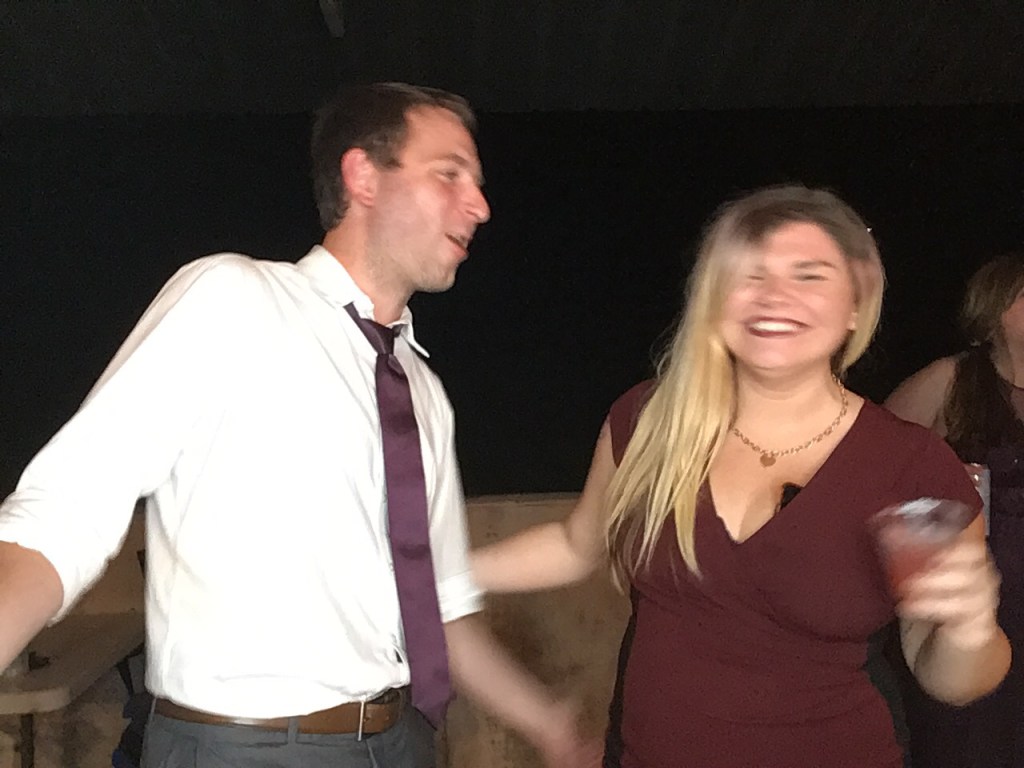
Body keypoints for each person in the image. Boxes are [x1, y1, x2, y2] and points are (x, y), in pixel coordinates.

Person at [0, 82, 594, 768]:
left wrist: (548, 723)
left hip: (401, 740)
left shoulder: (422, 392)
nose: (480, 206)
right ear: (363, 176)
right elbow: (63, 513)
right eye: (449, 174)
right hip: (242, 748)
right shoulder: (235, 299)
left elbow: (439, 603)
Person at [472, 185, 1011, 768]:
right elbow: (578, 544)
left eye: (809, 275)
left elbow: (950, 679)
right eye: (749, 275)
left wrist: (970, 629)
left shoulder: (910, 463)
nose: (774, 296)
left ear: (857, 305)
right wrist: (432, 573)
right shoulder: (650, 420)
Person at [885, 252, 1024, 768]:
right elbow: (870, 469)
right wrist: (937, 485)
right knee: (971, 740)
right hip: (973, 592)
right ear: (994, 307)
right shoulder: (951, 379)